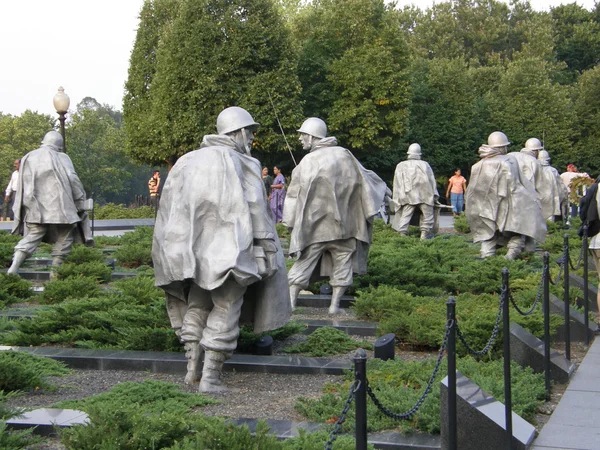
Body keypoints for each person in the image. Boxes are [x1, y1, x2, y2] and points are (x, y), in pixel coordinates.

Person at [152, 106, 291, 392]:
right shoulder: (243, 163)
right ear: (238, 132)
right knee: (227, 306)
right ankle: (211, 377)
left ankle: (192, 370)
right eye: (250, 131)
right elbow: (256, 207)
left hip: (191, 255)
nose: (252, 138)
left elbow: (167, 210)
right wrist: (267, 248)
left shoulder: (185, 162)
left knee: (198, 303)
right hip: (232, 252)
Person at [283, 117, 387, 314]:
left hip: (316, 228)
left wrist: (290, 224)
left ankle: (291, 303)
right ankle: (334, 306)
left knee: (303, 263)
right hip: (345, 227)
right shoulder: (345, 155)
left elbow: (293, 196)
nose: (300, 139)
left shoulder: (307, 162)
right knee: (343, 263)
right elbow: (367, 178)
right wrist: (385, 191)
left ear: (312, 137)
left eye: (303, 135)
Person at [8, 131, 88, 275]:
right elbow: (72, 177)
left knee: (33, 235)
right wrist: (80, 198)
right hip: (61, 206)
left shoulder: (28, 157)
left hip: (34, 206)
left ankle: (13, 268)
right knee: (66, 234)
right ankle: (54, 273)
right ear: (59, 145)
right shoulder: (61, 156)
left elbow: (22, 183)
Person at [465, 131, 546, 260]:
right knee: (520, 229)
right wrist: (530, 200)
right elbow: (516, 185)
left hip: (486, 209)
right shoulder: (509, 161)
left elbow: (472, 192)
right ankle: (510, 256)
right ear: (502, 147)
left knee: (489, 235)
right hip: (508, 205)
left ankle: (487, 260)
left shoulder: (478, 166)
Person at [391, 143, 439, 239]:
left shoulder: (401, 165)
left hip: (408, 195)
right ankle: (424, 235)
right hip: (425, 195)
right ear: (419, 154)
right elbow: (431, 180)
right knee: (428, 216)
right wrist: (435, 195)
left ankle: (402, 235)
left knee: (406, 214)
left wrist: (398, 197)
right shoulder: (425, 165)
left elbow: (397, 183)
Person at [538, 150, 569, 221]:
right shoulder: (553, 171)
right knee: (550, 219)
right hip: (551, 199)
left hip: (538, 199)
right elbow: (561, 187)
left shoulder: (535, 170)